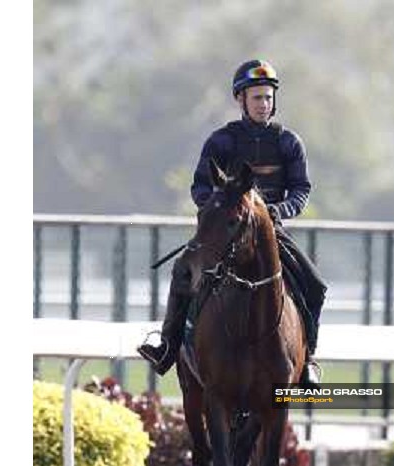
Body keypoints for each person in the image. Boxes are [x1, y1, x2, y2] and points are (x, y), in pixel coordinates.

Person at [138, 59, 327, 385]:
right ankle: (167, 346)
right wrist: (220, 212)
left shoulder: (289, 142)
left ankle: (307, 360)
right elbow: (199, 187)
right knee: (183, 271)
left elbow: (301, 190)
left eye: (268, 98)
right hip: (226, 231)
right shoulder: (221, 141)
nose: (264, 105)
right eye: (257, 98)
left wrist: (276, 212)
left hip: (270, 232)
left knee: (315, 285)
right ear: (241, 100)